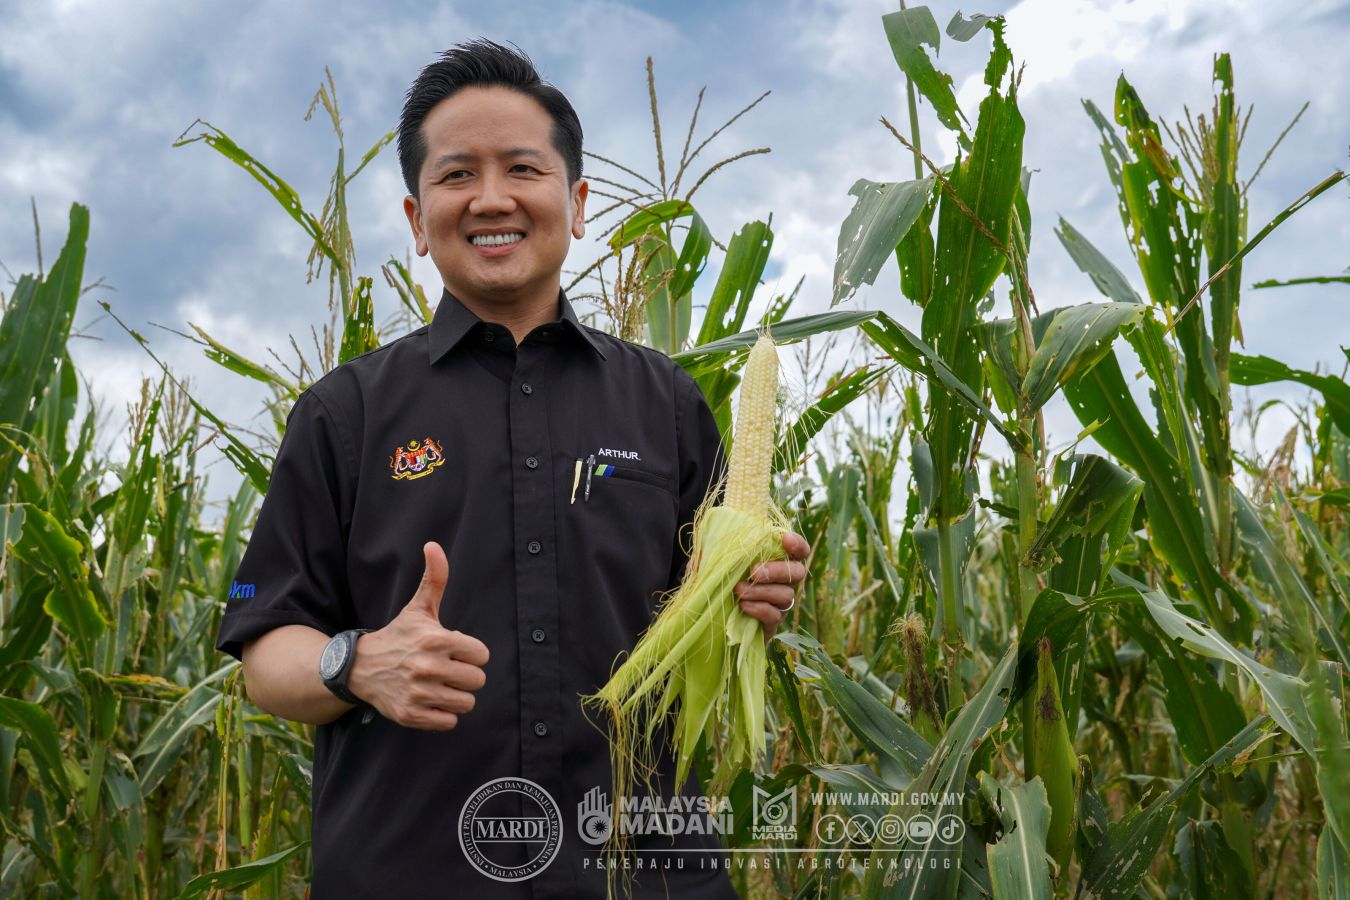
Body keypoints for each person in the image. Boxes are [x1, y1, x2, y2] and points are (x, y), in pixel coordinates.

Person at [215, 39, 810, 898]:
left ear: (577, 202)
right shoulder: (345, 414)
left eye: (523, 169)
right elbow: (266, 653)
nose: (491, 198)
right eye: (457, 175)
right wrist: (359, 662)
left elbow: (709, 626)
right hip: (411, 875)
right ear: (417, 221)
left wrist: (760, 599)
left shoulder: (667, 404)